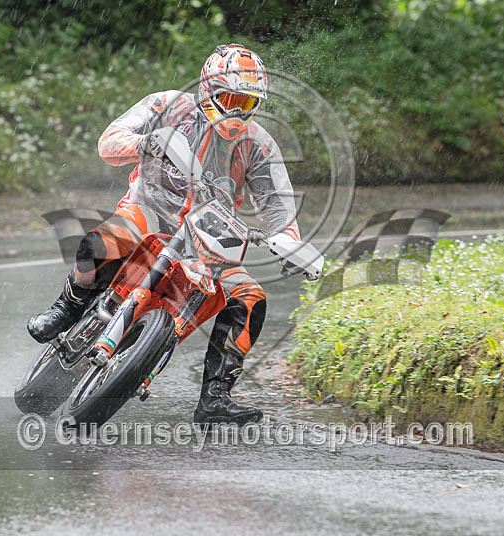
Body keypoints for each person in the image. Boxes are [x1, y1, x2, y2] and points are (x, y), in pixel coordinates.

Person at [27, 44, 301, 426]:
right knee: (100, 243)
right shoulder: (167, 105)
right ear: (208, 89)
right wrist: (143, 143)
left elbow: (277, 203)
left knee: (250, 297)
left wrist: (289, 241)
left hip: (207, 239)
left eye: (248, 102)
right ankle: (68, 306)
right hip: (147, 212)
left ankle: (216, 397)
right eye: (231, 99)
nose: (238, 111)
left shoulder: (259, 144)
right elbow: (109, 142)